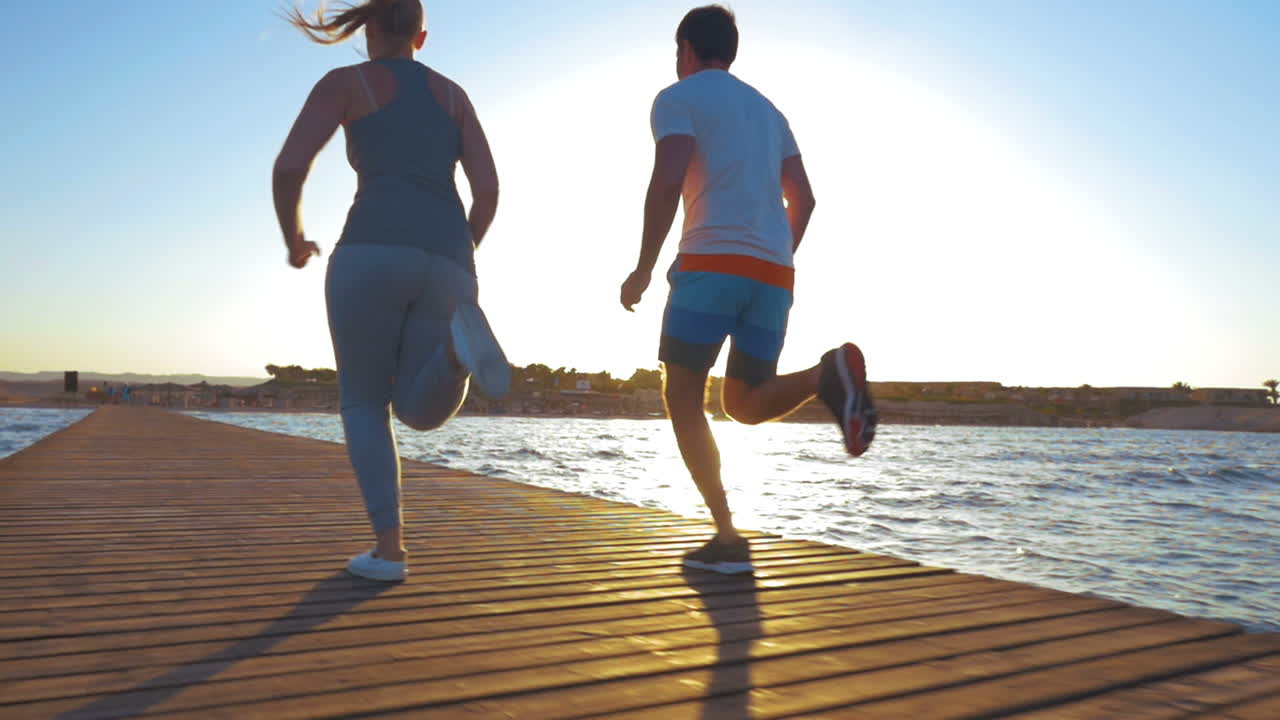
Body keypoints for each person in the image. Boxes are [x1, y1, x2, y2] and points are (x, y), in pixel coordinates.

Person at [620, 5, 878, 574]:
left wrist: (642, 268)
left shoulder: (677, 97)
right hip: (775, 273)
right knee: (741, 402)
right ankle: (825, 374)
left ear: (686, 48)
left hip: (710, 262)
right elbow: (804, 199)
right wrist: (774, 255)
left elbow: (668, 179)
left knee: (683, 398)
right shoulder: (769, 111)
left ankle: (727, 535)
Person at [275, 0, 510, 582]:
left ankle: (389, 550)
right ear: (421, 37)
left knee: (364, 401)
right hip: (450, 259)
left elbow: (289, 168)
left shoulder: (345, 82)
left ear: (370, 27)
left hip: (371, 249)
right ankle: (456, 354)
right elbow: (488, 190)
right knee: (417, 409)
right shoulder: (454, 96)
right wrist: (463, 249)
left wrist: (296, 238)